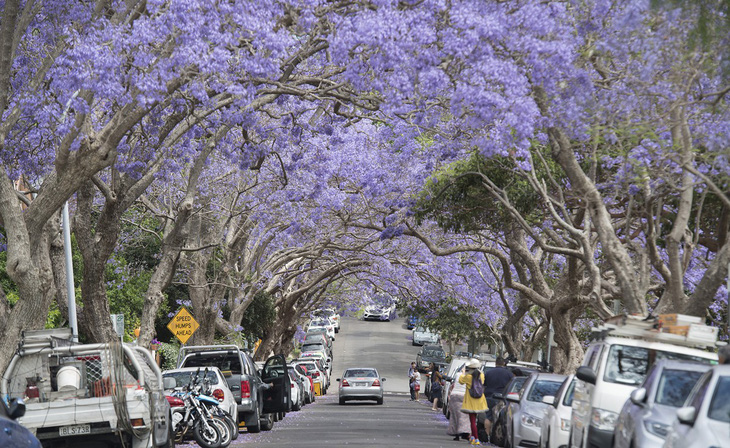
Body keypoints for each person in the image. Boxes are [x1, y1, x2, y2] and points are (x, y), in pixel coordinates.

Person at [482, 357, 514, 441]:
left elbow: (484, 385)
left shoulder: (488, 373)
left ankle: (487, 435)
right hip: (502, 399)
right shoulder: (509, 374)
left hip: (489, 397)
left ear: (495, 363)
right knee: (500, 418)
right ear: (503, 363)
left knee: (488, 417)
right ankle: (496, 436)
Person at [459, 358, 488, 446]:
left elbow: (460, 381)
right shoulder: (482, 375)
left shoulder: (468, 377)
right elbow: (482, 382)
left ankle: (476, 438)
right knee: (476, 421)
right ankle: (472, 437)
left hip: (471, 401)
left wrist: (463, 372)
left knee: (472, 421)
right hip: (480, 401)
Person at [447, 363, 471, 441]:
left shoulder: (457, 375)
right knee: (464, 416)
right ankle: (465, 433)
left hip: (454, 395)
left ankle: (456, 434)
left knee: (454, 415)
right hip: (463, 396)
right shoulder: (470, 377)